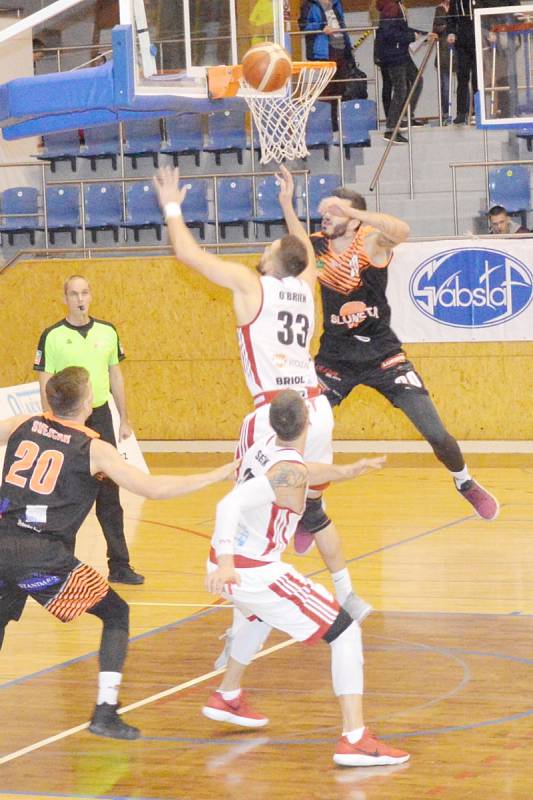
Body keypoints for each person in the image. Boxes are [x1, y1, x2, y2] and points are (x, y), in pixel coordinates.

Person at [153, 165, 373, 638]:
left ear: (275, 260)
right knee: (307, 507)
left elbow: (187, 253)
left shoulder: (251, 284)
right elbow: (304, 250)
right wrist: (287, 206)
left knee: (246, 510)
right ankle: (336, 580)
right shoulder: (307, 284)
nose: (265, 247)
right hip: (317, 410)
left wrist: (171, 203)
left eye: (270, 245)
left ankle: (248, 604)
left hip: (276, 415)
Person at [0, 366, 235, 740]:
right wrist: (216, 475)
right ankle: (105, 712)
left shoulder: (21, 424)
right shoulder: (94, 449)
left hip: (3, 542)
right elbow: (153, 489)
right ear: (86, 404)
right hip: (42, 555)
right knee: (116, 613)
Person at [284, 187, 499, 556]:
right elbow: (296, 242)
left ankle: (464, 482)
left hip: (383, 355)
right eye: (326, 211)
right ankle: (312, 509)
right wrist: (287, 202)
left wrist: (358, 216)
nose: (327, 216)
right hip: (335, 358)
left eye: (336, 212)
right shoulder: (318, 246)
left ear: (355, 219)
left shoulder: (370, 245)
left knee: (435, 431)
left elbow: (402, 230)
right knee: (303, 431)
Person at [202, 389, 409, 768]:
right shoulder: (287, 470)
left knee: (255, 616)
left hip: (226, 562)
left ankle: (227, 694)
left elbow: (303, 470)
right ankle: (355, 739)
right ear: (309, 424)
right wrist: (230, 563)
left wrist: (346, 471)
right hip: (251, 569)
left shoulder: (264, 446)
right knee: (345, 632)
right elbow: (227, 504)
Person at [34, 275, 144, 585]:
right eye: (73, 293)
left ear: (90, 296)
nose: (79, 298)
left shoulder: (107, 331)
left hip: (99, 417)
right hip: (67, 420)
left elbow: (116, 377)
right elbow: (46, 381)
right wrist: (51, 421)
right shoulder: (52, 336)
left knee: (110, 494)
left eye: (84, 292)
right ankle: (58, 568)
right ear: (65, 298)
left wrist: (124, 418)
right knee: (64, 495)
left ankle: (120, 565)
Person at [375, 0, 435, 144]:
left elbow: (402, 29)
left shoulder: (397, 5)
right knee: (400, 89)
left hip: (400, 53)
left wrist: (423, 35)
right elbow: (389, 34)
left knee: (416, 80)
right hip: (394, 55)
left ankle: (406, 116)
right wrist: (412, 37)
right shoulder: (391, 7)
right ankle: (391, 129)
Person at [298, 0, 355, 130]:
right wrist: (321, 28)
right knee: (325, 90)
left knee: (340, 89)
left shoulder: (337, 4)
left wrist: (348, 48)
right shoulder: (310, 5)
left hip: (341, 50)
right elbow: (303, 26)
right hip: (323, 52)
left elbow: (342, 24)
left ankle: (336, 124)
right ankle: (324, 125)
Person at [432, 0, 454, 124]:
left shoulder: (460, 6)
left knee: (464, 84)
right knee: (445, 86)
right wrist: (447, 19)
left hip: (459, 51)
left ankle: (467, 112)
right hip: (444, 53)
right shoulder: (439, 9)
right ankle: (445, 114)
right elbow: (436, 29)